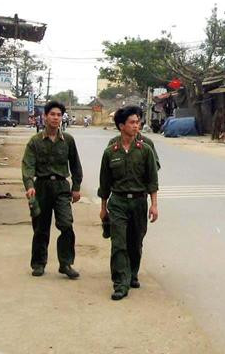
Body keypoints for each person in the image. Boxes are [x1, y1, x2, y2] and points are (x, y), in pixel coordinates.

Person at [98, 106, 159, 301]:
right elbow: (104, 182)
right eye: (132, 122)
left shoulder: (145, 149)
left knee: (135, 242)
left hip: (139, 201)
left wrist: (154, 205)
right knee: (118, 243)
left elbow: (152, 179)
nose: (136, 126)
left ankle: (132, 273)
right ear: (121, 126)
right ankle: (120, 283)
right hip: (118, 202)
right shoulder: (110, 151)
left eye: (137, 122)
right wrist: (103, 208)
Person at [21, 101, 83, 279]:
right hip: (41, 187)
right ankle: (39, 263)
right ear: (45, 117)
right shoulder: (35, 141)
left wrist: (76, 187)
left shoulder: (68, 140)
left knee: (66, 224)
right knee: (41, 227)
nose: (56, 118)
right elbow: (28, 165)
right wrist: (29, 186)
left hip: (62, 187)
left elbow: (75, 165)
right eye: (52, 114)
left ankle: (66, 263)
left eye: (59, 115)